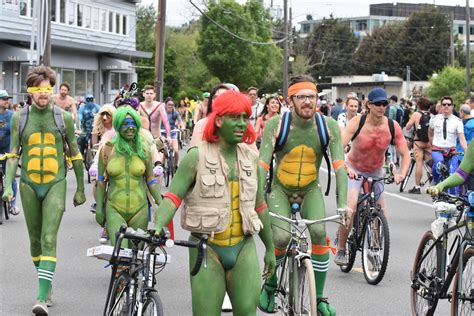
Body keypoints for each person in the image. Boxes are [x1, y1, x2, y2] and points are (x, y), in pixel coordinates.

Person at [154, 90, 276, 316]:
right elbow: (173, 197)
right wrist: (158, 225)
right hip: (206, 247)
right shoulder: (196, 156)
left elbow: (260, 206)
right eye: (235, 117)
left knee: (248, 313)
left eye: (245, 117)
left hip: (244, 247)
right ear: (219, 120)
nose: (242, 124)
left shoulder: (251, 158)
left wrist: (270, 248)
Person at [258, 75, 348, 315]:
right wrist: (257, 202)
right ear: (290, 100)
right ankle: (270, 283)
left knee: (319, 233)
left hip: (310, 190)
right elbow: (262, 165)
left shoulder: (328, 126)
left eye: (312, 96)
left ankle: (318, 297)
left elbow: (340, 167)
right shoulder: (276, 124)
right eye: (301, 97)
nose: (308, 102)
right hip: (279, 190)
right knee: (279, 238)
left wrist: (342, 206)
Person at [2, 66, 86, 314]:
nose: (43, 94)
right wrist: (8, 185)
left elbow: (75, 153)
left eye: (47, 89)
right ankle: (46, 282)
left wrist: (80, 188)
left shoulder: (64, 118)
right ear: (30, 91)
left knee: (49, 239)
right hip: (28, 184)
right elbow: (13, 154)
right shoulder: (20, 118)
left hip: (55, 183)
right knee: (35, 242)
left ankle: (40, 297)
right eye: (38, 90)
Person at [335, 87, 410, 266]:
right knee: (350, 208)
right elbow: (338, 148)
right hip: (355, 169)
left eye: (384, 104)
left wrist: (402, 174)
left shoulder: (392, 126)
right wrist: (345, 166)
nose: (382, 107)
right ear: (369, 105)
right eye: (378, 104)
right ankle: (342, 247)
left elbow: (406, 154)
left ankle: (374, 248)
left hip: (376, 172)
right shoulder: (357, 122)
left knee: (381, 212)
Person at [95, 105, 162, 248]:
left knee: (136, 256)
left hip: (140, 209)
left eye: (133, 124)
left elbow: (151, 180)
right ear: (118, 126)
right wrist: (99, 208)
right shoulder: (107, 149)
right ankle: (119, 270)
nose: (130, 127)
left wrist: (162, 203)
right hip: (114, 209)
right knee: (120, 254)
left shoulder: (144, 150)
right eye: (125, 124)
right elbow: (101, 182)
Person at [429, 96, 467, 195]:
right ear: (441, 106)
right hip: (437, 150)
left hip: (452, 151)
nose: (446, 106)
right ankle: (435, 182)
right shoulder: (434, 119)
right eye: (444, 104)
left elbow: (462, 138)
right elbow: (430, 132)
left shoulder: (457, 121)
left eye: (449, 104)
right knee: (439, 163)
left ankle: (453, 197)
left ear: (452, 107)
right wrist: (431, 143)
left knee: (453, 173)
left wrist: (466, 150)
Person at [404, 97, 433, 194]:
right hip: (429, 143)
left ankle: (417, 187)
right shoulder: (432, 116)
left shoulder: (416, 114)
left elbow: (408, 127)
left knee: (419, 164)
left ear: (419, 105)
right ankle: (432, 186)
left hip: (418, 143)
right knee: (430, 165)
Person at [0, 90, 19, 216]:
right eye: (4, 98)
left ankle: (12, 204)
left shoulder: (12, 116)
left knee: (10, 177)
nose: (7, 101)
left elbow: (17, 133)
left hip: (8, 151)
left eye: (8, 98)